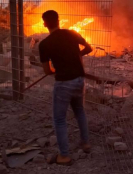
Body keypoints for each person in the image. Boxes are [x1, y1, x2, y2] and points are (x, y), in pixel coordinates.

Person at [38, 10, 93, 165]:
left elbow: (47, 71)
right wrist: (76, 57)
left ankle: (64, 155)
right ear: (58, 20)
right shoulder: (71, 33)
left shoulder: (44, 44)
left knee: (59, 119)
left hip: (63, 83)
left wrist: (57, 68)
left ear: (45, 23)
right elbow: (89, 48)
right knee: (79, 111)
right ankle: (86, 143)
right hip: (79, 79)